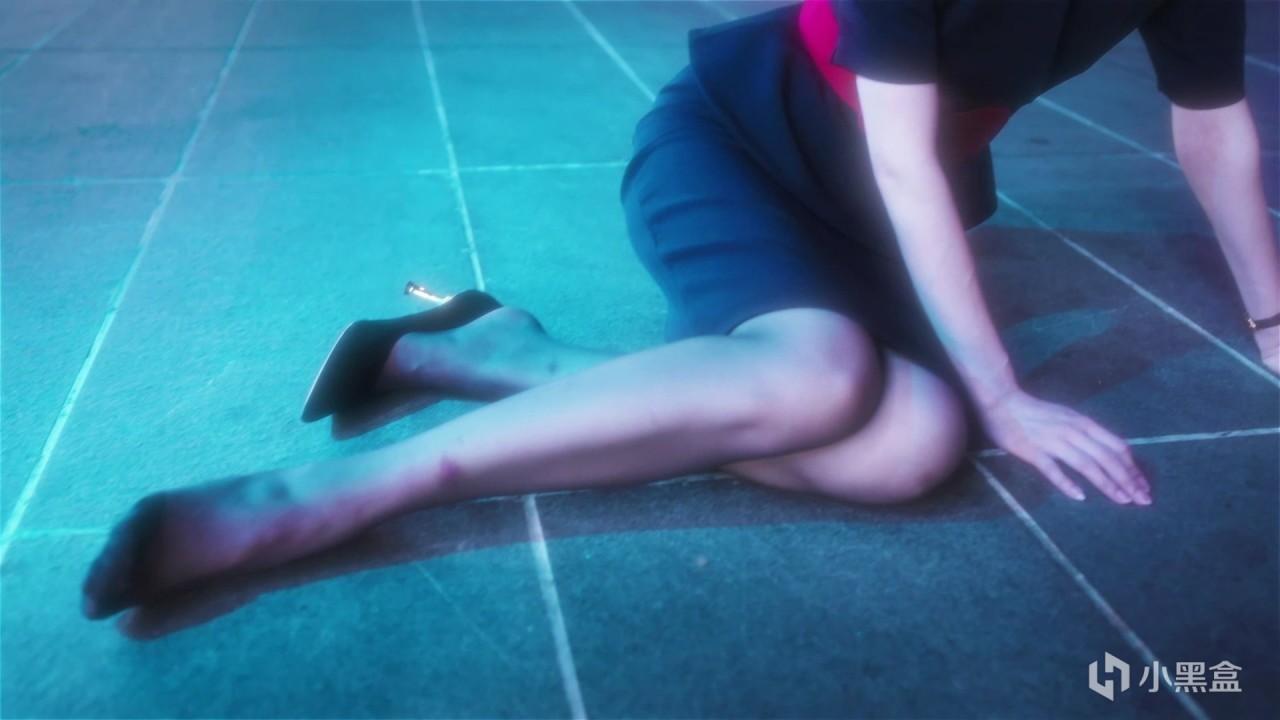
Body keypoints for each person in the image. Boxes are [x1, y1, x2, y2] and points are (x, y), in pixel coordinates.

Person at [81, 0, 1279, 619]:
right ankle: (326, 499)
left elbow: (1212, 129)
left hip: (877, 208)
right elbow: (901, 155)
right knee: (821, 377)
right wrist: (1005, 394)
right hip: (741, 148)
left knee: (913, 442)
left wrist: (1271, 324)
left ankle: (507, 355)